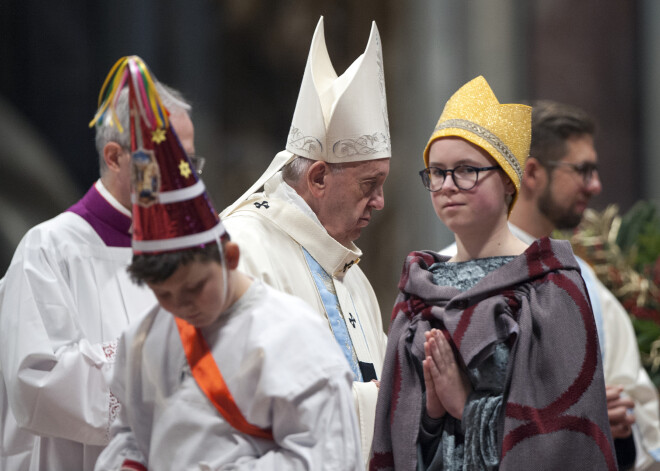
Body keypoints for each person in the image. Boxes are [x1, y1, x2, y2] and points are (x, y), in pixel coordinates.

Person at [93, 56, 362, 470]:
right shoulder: (144, 339)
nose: (182, 307)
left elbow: (326, 456)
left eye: (194, 288)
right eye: (164, 296)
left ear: (230, 256)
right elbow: (130, 436)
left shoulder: (292, 336)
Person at [370, 76, 616, 470]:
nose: (447, 185)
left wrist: (467, 406)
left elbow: (564, 435)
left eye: (466, 170)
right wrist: (430, 414)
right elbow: (393, 436)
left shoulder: (549, 283)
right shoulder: (420, 288)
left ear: (506, 179)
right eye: (436, 172)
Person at [0, 57, 195, 471]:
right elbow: (36, 383)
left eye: (190, 164)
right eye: (168, 161)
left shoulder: (187, 256)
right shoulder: (49, 250)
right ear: (114, 156)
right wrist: (163, 364)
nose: (185, 180)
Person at [220, 16, 389, 464]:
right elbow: (239, 400)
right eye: (368, 185)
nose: (380, 202)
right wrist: (384, 401)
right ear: (317, 178)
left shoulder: (352, 277)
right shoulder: (241, 252)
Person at [506, 100, 660, 470]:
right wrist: (578, 414)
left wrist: (618, 420)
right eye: (583, 170)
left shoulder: (588, 285)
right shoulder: (463, 273)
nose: (595, 185)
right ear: (532, 173)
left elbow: (640, 410)